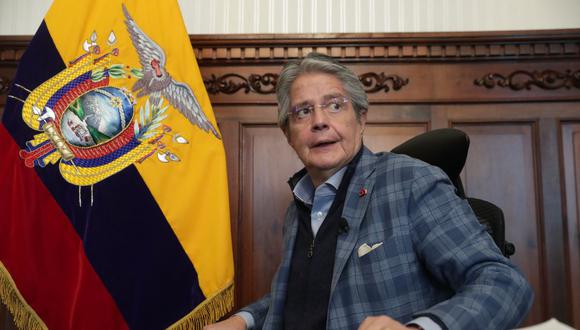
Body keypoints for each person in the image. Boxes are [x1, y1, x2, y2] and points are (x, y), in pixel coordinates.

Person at [206, 52, 533, 330]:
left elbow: (504, 283)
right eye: (303, 111)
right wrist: (243, 320)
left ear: (361, 119)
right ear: (288, 133)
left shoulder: (410, 180)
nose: (319, 121)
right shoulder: (299, 207)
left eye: (334, 105)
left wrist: (419, 329)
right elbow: (301, 292)